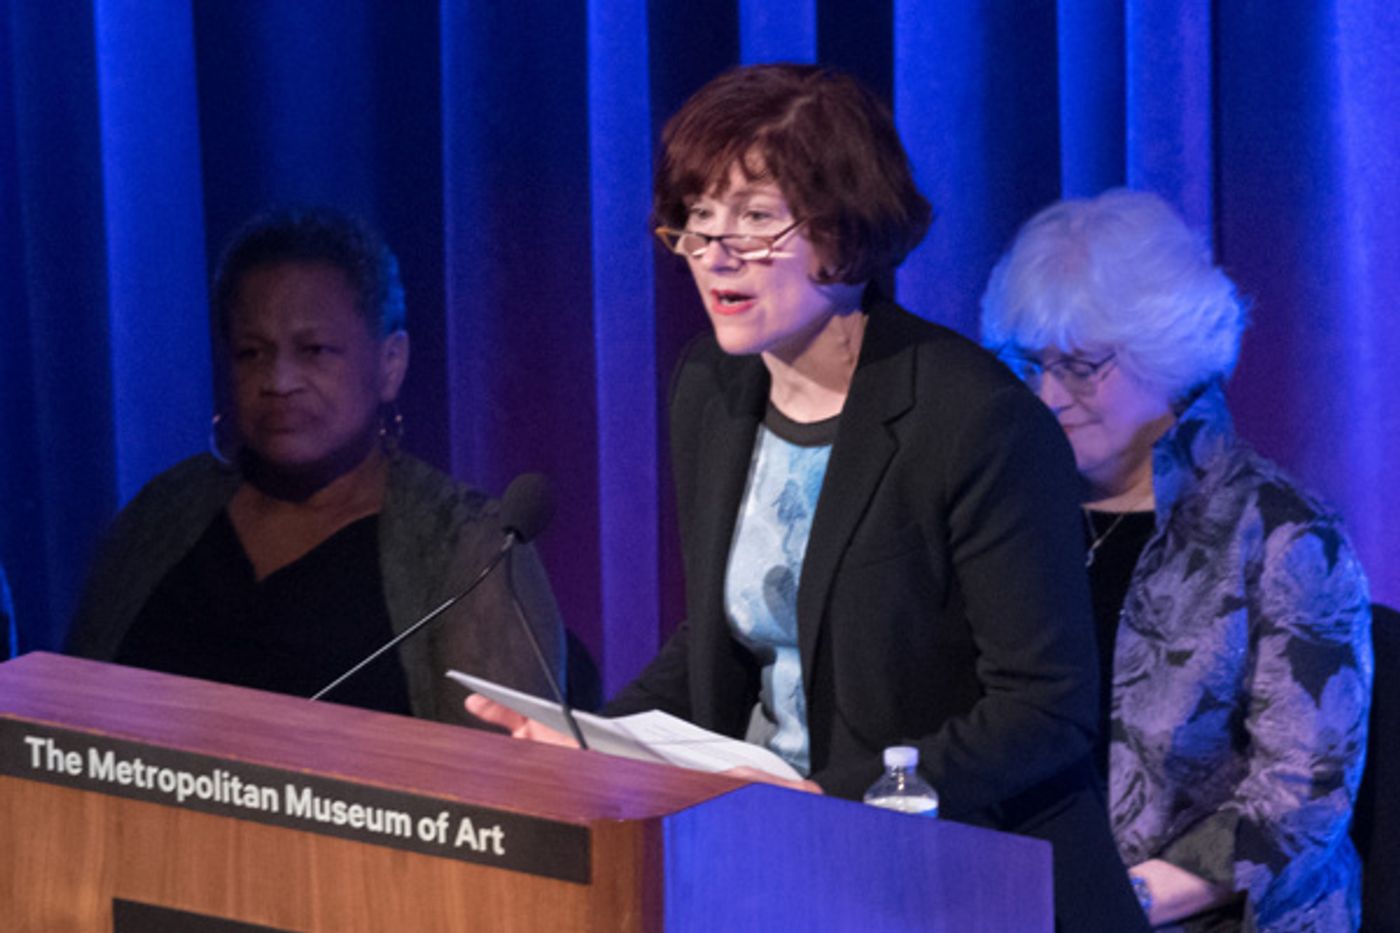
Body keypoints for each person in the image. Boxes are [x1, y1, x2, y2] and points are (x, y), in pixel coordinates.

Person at [470, 63, 1148, 931]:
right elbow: (731, 631)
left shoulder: (976, 420)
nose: (715, 252)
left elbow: (1042, 713)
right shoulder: (711, 387)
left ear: (840, 231)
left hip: (964, 875)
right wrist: (594, 741)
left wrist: (826, 801)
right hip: (778, 864)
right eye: (697, 216)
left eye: (754, 218)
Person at [980, 188, 1372, 931]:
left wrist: (1114, 905)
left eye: (1082, 365)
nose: (1048, 395)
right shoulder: (1007, 517)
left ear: (1167, 354)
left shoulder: (1284, 534)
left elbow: (1299, 799)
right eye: (1028, 364)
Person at [66, 209, 565, 723]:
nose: (279, 380)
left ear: (390, 364)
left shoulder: (467, 548)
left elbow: (502, 782)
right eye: (251, 353)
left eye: (314, 351)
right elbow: (63, 726)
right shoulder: (164, 513)